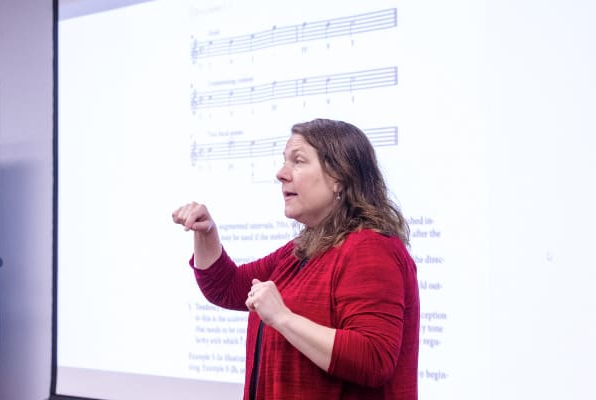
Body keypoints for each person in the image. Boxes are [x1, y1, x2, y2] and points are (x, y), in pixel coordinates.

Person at [172, 118, 419, 400]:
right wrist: (206, 233)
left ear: (339, 176)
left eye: (298, 161)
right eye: (284, 161)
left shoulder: (371, 248)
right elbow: (227, 287)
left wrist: (283, 318)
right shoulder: (302, 250)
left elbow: (374, 358)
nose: (281, 174)